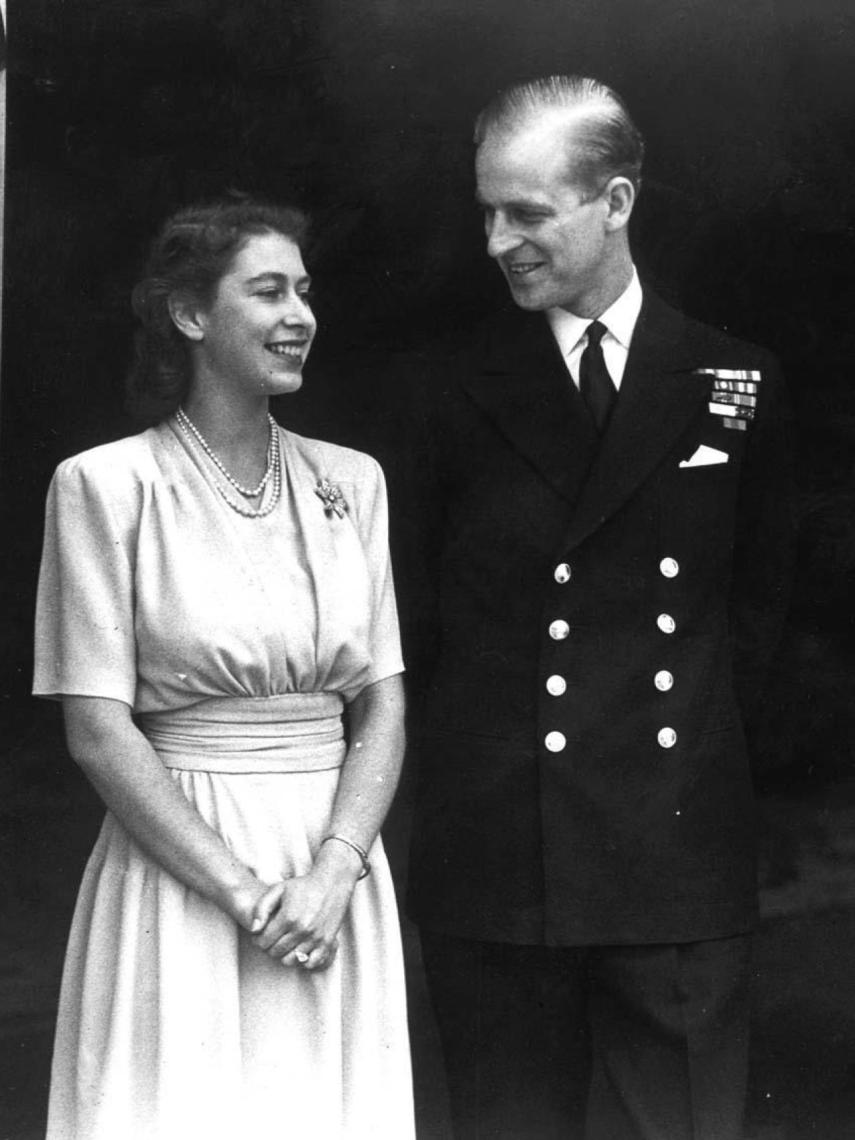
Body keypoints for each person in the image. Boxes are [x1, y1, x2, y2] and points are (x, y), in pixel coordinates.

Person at [400, 76, 794, 1139]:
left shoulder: (733, 379)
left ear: (616, 203)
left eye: (528, 213)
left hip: (670, 863)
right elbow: (415, 624)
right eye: (487, 211)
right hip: (499, 862)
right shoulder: (452, 393)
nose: (497, 241)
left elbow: (761, 620)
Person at [33, 197, 415, 1139]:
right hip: (183, 871)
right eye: (269, 291)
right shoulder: (105, 486)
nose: (301, 316)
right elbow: (94, 728)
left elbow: (384, 705)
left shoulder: (351, 481)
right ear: (190, 314)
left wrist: (332, 874)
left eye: (306, 292)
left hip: (331, 875)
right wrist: (242, 892)